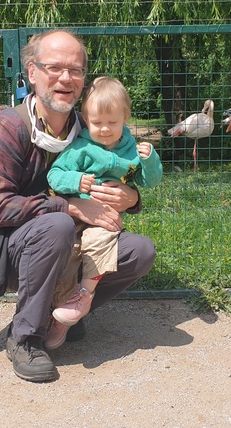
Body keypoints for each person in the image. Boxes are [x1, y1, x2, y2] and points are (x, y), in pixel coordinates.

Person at [0, 29, 157, 383]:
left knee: (140, 251)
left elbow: (122, 173)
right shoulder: (7, 127)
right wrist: (68, 207)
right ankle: (24, 337)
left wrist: (132, 197)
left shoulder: (90, 127)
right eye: (55, 68)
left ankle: (62, 311)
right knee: (57, 226)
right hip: (11, 250)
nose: (65, 78)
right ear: (32, 72)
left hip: (72, 241)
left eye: (75, 70)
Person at [46, 76, 162, 335]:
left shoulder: (132, 152)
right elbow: (54, 175)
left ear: (125, 118)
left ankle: (84, 296)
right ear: (86, 120)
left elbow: (149, 181)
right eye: (97, 123)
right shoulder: (81, 148)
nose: (105, 129)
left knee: (98, 242)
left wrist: (150, 161)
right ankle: (59, 315)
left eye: (113, 122)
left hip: (105, 220)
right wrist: (76, 180)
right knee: (69, 257)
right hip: (74, 218)